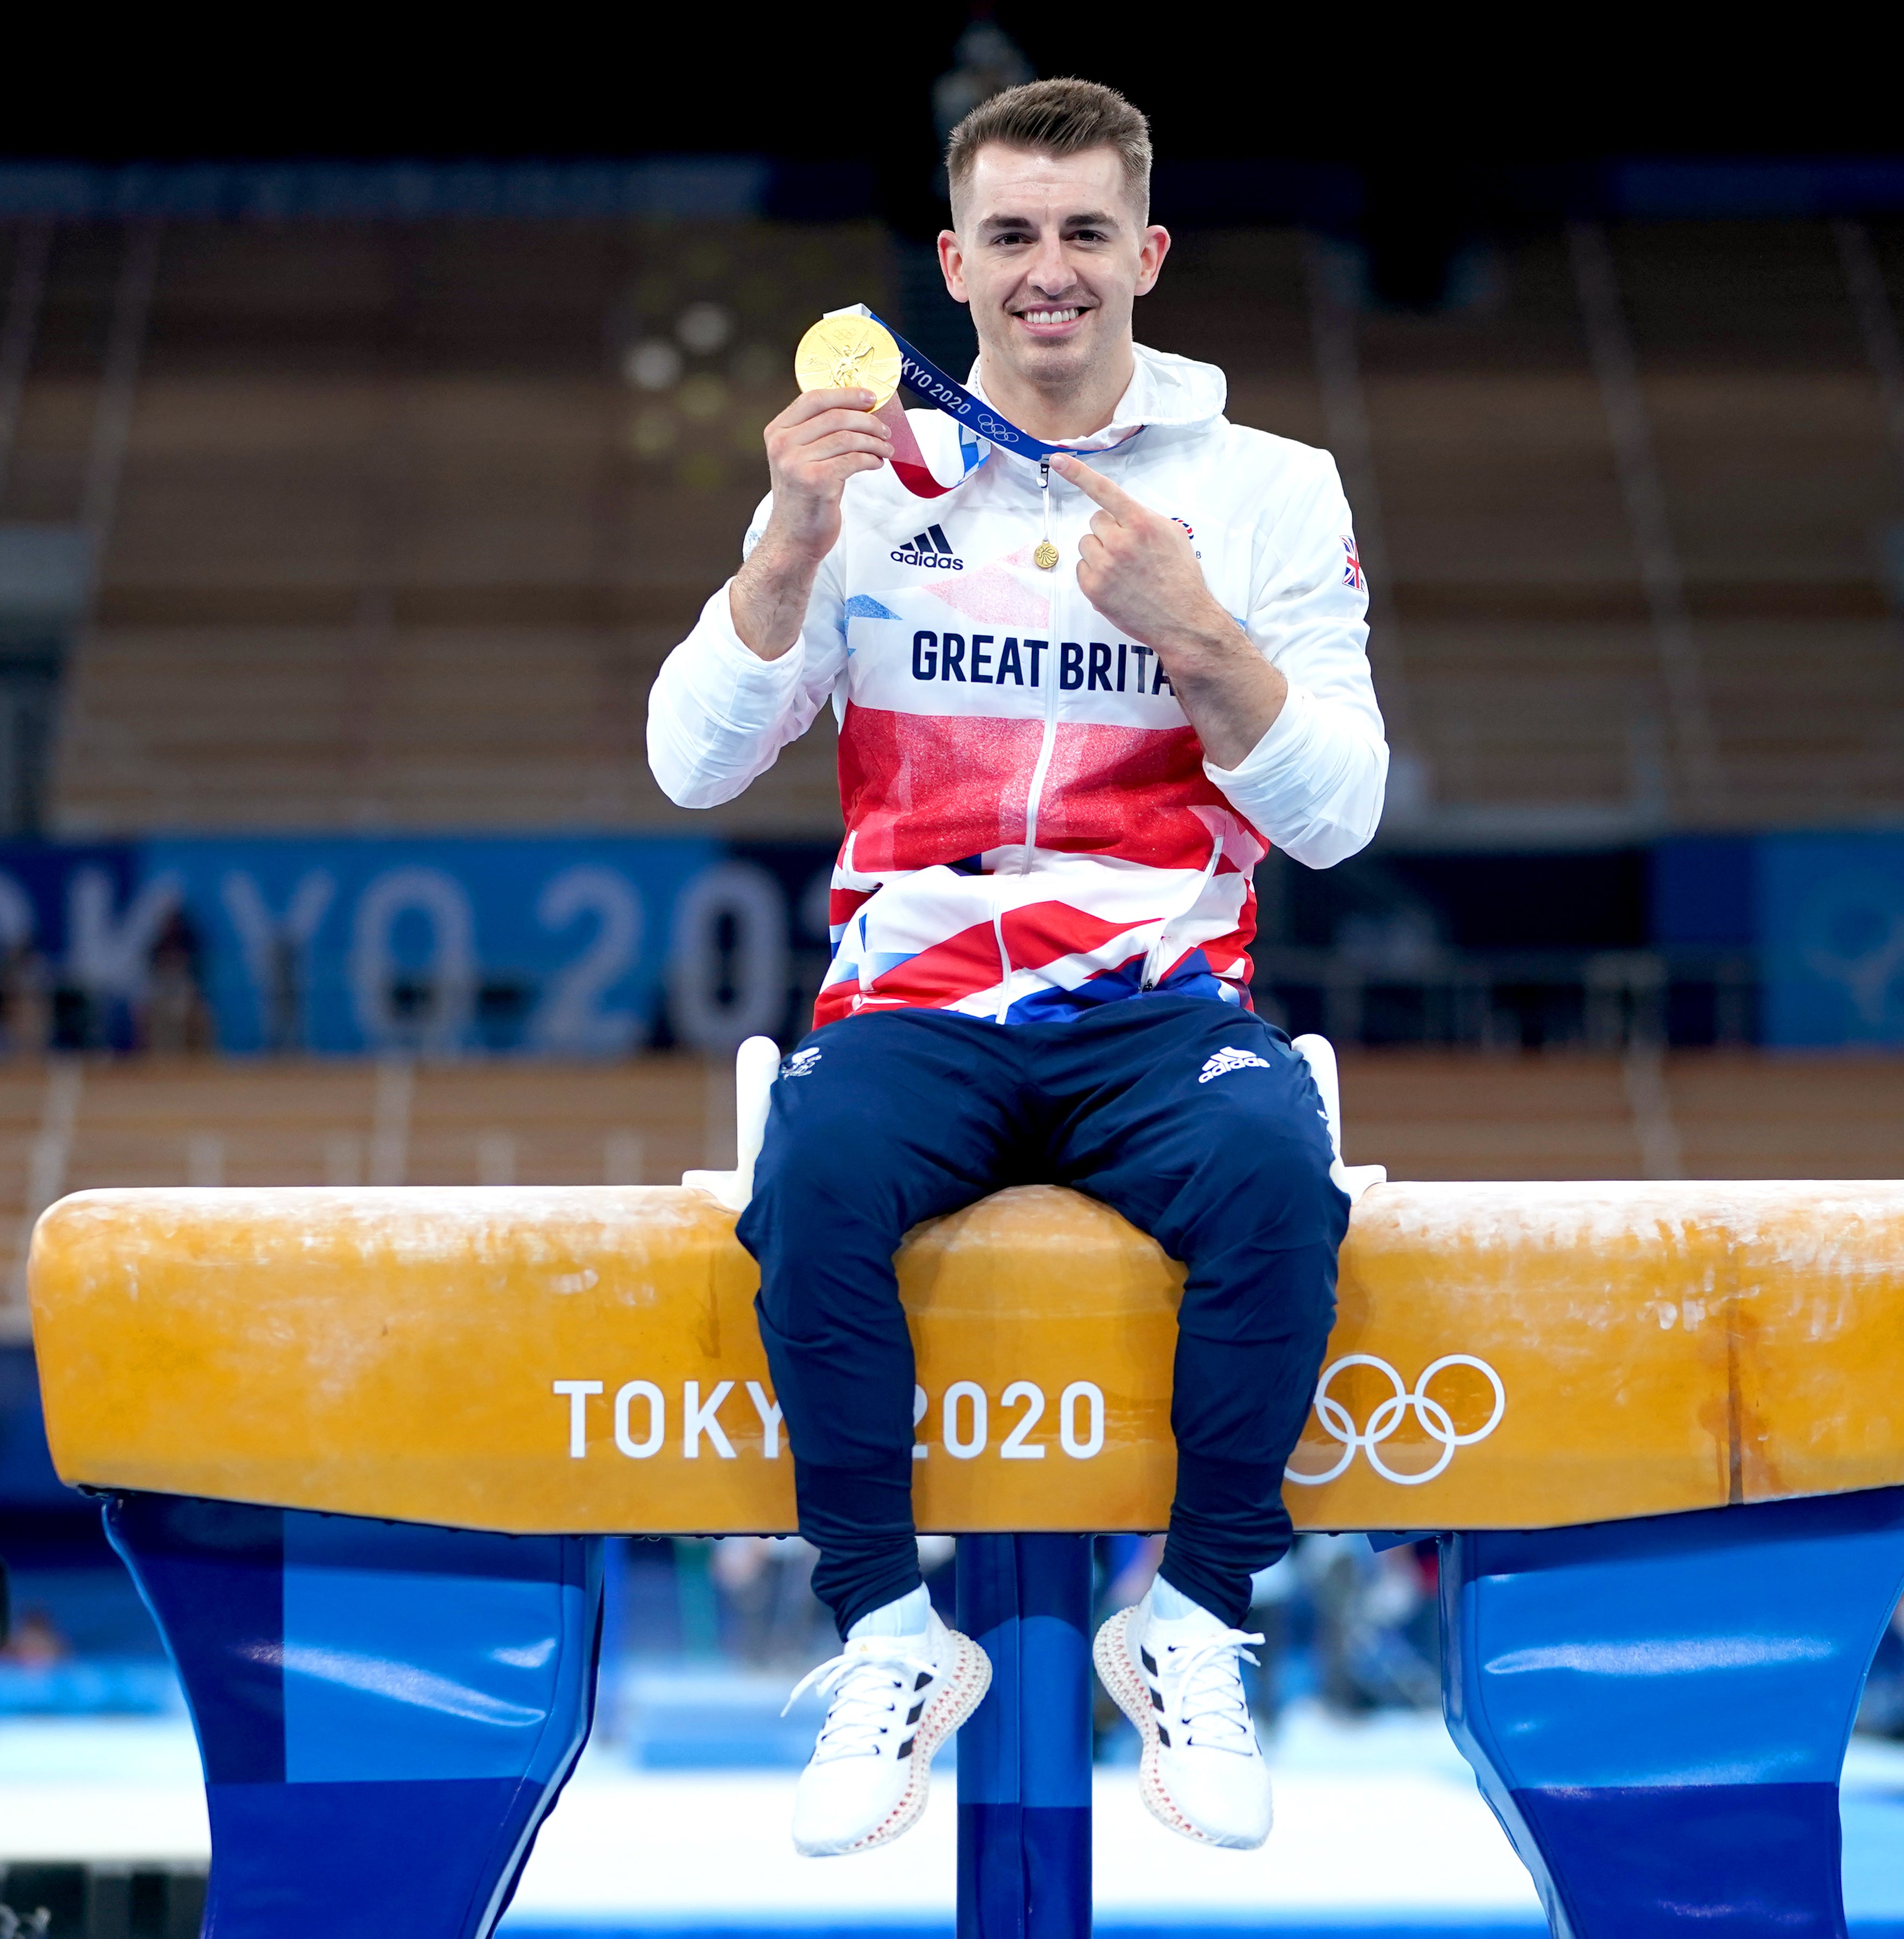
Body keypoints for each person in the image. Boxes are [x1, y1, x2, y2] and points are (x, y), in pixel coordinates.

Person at [646, 78, 1384, 1857]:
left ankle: (1197, 1617)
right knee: (811, 1176)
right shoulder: (860, 479)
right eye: (1011, 236)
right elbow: (690, 761)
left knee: (1283, 1174)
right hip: (916, 1004)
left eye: (1081, 233)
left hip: (1159, 1003)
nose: (1049, 271)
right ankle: (891, 1635)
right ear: (956, 263)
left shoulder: (1269, 492)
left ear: (1145, 252)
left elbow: (1343, 812)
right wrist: (781, 555)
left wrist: (1204, 637)